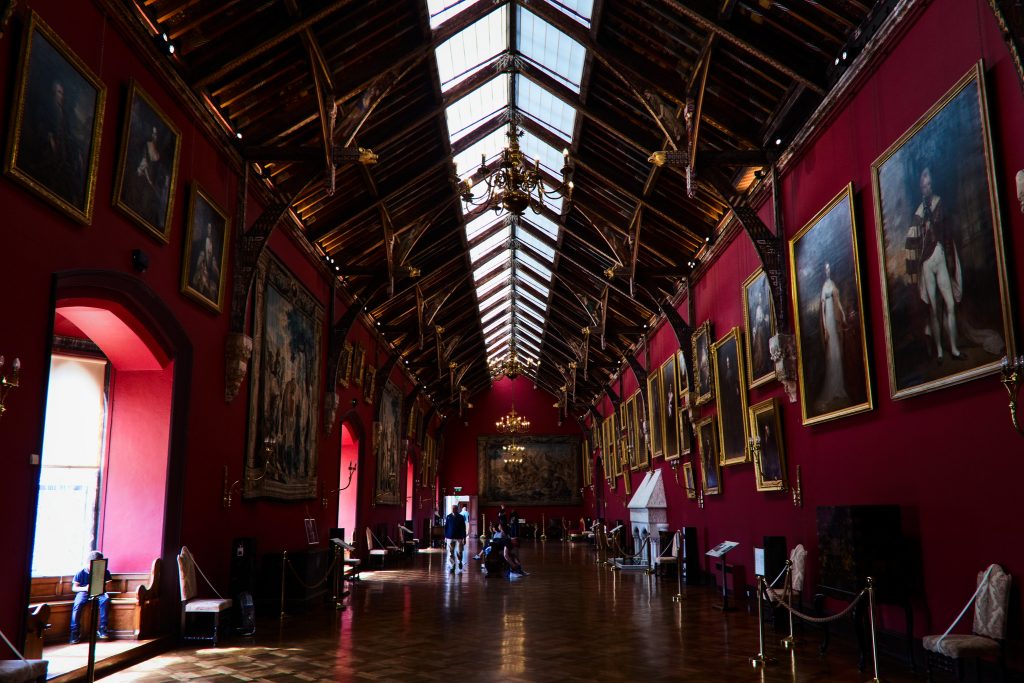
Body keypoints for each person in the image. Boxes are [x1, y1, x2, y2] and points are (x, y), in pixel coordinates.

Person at [904, 166, 963, 365]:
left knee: (950, 304)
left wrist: (934, 228)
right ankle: (939, 351)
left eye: (928, 184)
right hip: (927, 263)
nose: (926, 188)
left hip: (939, 255)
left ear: (932, 184)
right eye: (923, 185)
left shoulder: (939, 203)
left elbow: (946, 231)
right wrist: (923, 230)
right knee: (934, 309)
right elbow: (911, 242)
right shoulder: (918, 213)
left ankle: (954, 348)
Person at [817, 262, 849, 411]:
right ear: (824, 271)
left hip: (834, 317)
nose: (828, 271)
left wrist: (842, 314)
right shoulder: (824, 286)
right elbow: (823, 310)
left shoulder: (833, 284)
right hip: (828, 319)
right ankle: (832, 387)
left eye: (829, 269)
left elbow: (838, 302)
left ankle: (839, 387)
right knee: (831, 352)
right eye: (826, 269)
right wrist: (825, 329)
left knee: (837, 351)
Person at [70, 551, 112, 644]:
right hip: (84, 591)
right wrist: (85, 588)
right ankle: (74, 631)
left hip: (99, 591)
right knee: (78, 604)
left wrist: (102, 586)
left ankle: (102, 628)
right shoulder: (81, 572)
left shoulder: (105, 571)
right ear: (89, 563)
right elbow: (74, 588)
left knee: (105, 600)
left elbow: (109, 586)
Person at [444, 504, 467, 573]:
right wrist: (445, 536)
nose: (453, 509)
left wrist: (464, 538)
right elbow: (446, 527)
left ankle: (460, 561)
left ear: (457, 509)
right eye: (453, 508)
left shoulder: (461, 517)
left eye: (455, 508)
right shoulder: (448, 517)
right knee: (451, 552)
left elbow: (463, 528)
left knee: (459, 551)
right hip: (450, 537)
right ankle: (452, 566)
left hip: (459, 537)